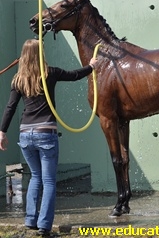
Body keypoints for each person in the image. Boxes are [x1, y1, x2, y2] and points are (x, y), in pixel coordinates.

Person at [0, 39, 98, 236]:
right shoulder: (49, 73)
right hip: (46, 134)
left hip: (25, 134)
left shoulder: (18, 80)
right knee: (49, 181)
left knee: (36, 177)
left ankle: (30, 221)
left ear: (24, 56)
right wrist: (91, 66)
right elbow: (74, 75)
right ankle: (44, 226)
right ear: (40, 54)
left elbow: (10, 107)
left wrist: (1, 132)